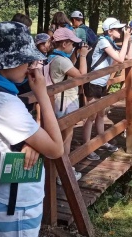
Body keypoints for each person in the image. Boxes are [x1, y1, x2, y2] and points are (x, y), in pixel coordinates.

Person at [0, 21, 64, 236]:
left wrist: (31, 140)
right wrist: (42, 92)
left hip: (7, 198)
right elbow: (56, 149)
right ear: (7, 62)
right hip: (16, 204)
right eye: (25, 59)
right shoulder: (3, 103)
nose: (31, 65)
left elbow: (14, 130)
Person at [82, 17, 132, 160]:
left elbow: (125, 56)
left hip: (101, 83)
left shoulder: (110, 42)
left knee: (101, 113)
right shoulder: (104, 41)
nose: (121, 31)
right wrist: (127, 39)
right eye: (118, 29)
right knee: (90, 115)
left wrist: (128, 42)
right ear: (109, 31)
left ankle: (101, 139)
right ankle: (86, 147)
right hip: (93, 82)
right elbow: (121, 59)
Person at [49, 28, 89, 184]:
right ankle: (64, 171)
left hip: (57, 101)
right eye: (72, 43)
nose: (73, 46)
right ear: (64, 43)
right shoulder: (61, 60)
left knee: (62, 136)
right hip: (64, 103)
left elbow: (67, 70)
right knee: (66, 137)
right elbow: (83, 77)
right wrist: (84, 56)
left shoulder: (53, 57)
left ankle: (61, 169)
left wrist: (76, 54)